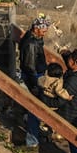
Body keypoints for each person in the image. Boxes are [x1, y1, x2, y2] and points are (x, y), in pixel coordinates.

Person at [17, 15, 52, 145]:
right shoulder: (31, 44)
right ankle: (32, 140)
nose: (45, 33)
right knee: (35, 108)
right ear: (36, 29)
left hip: (34, 74)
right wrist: (35, 85)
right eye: (43, 31)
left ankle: (34, 133)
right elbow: (30, 66)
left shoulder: (34, 39)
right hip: (34, 76)